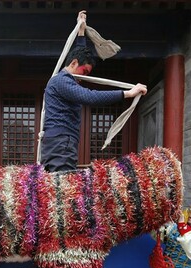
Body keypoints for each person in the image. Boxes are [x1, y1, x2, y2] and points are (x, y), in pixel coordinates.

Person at [41, 11, 148, 172]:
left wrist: (81, 32)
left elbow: (79, 55)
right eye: (84, 72)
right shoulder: (61, 81)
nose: (84, 77)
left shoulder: (67, 77)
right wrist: (128, 93)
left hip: (60, 142)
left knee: (60, 185)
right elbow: (89, 96)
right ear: (74, 63)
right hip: (60, 143)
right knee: (61, 187)